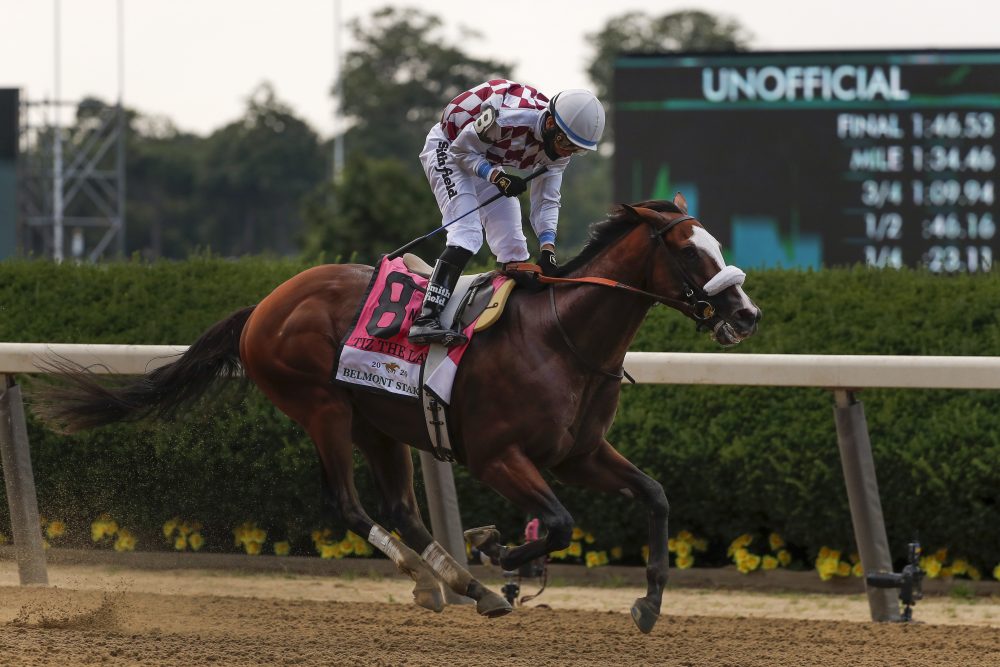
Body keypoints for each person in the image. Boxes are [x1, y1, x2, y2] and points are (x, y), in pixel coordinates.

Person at [408, 79, 606, 347]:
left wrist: (548, 248)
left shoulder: (560, 150)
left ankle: (507, 324)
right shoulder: (508, 118)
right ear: (549, 124)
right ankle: (425, 319)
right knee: (467, 234)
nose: (565, 152)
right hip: (449, 148)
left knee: (514, 246)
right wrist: (496, 177)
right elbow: (460, 151)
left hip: (483, 158)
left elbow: (547, 201)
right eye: (564, 143)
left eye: (575, 149)